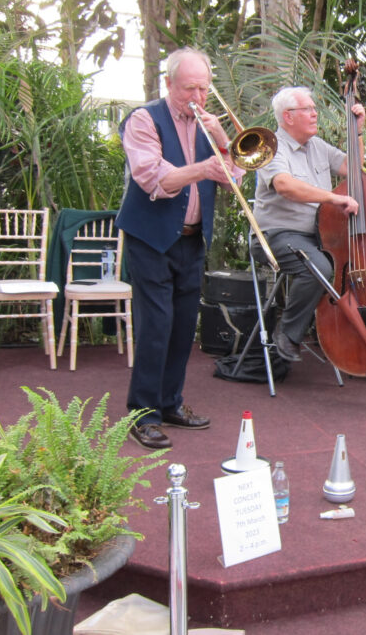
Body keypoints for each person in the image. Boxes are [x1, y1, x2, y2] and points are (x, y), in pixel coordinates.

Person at [117, 47, 240, 450]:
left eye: (204, 89)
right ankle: (143, 414)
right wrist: (202, 170)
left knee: (185, 326)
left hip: (191, 239)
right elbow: (153, 178)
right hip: (151, 238)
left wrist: (223, 141)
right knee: (156, 326)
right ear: (169, 84)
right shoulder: (143, 120)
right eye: (190, 88)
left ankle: (170, 403)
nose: (198, 98)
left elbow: (235, 178)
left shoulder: (207, 125)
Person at [250, 86, 364, 363]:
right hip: (277, 235)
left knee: (352, 268)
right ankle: (288, 333)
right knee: (321, 268)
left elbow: (354, 167)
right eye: (308, 109)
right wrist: (333, 198)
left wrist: (357, 131)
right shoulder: (271, 148)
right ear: (288, 116)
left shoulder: (318, 147)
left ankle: (353, 343)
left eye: (314, 109)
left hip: (317, 237)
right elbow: (285, 186)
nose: (315, 113)